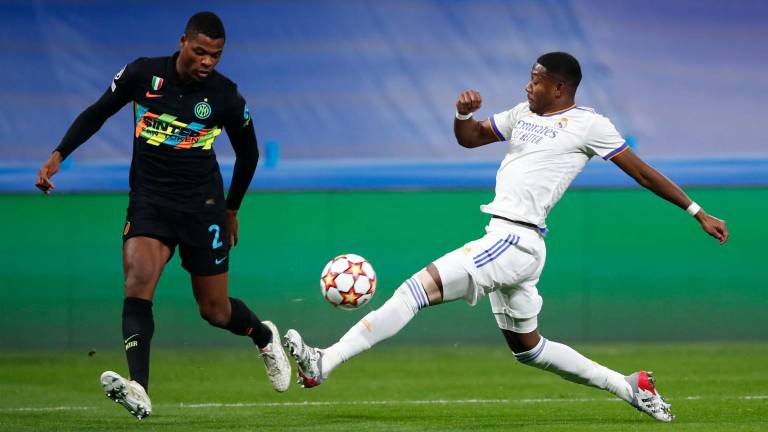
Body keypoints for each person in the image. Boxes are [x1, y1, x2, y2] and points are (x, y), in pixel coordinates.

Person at [284, 52, 729, 423]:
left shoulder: (589, 125)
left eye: (535, 81)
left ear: (559, 88)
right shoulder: (522, 114)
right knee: (529, 350)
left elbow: (643, 173)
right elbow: (471, 138)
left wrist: (697, 212)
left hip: (514, 240)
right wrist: (463, 114)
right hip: (512, 243)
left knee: (414, 291)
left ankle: (325, 361)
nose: (526, 87)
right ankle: (631, 386)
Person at [35, 12, 291, 420]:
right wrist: (59, 154)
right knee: (138, 281)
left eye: (216, 55)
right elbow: (98, 112)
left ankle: (263, 334)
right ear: (183, 42)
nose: (207, 61)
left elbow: (249, 154)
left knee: (215, 310)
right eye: (201, 51)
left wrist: (231, 209)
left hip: (202, 207)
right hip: (150, 202)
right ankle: (139, 387)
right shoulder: (142, 75)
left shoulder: (225, 96)